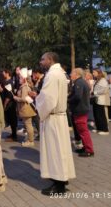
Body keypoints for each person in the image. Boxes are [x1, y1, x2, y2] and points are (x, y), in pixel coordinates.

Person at [35, 52, 76, 196]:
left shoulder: (52, 75)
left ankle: (59, 186)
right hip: (59, 117)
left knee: (55, 151)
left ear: (50, 60)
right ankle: (61, 179)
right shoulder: (60, 73)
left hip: (53, 118)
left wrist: (37, 103)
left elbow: (48, 99)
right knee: (61, 150)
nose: (41, 62)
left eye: (43, 59)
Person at [69, 68, 94, 157]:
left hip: (80, 110)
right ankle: (85, 147)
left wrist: (68, 100)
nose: (70, 74)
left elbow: (77, 96)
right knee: (81, 131)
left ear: (77, 74)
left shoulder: (79, 82)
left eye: (72, 73)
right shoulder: (81, 82)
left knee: (83, 131)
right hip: (81, 109)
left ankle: (89, 150)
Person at [14, 76, 36, 147]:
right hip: (25, 108)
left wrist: (16, 98)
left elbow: (24, 99)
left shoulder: (24, 87)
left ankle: (30, 141)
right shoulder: (24, 86)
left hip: (25, 108)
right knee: (28, 124)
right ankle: (29, 139)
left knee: (28, 124)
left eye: (20, 78)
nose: (19, 79)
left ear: (24, 79)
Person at [1, 69, 18, 142]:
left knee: (12, 119)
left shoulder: (9, 82)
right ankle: (13, 134)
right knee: (11, 119)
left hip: (10, 104)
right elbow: (4, 91)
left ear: (7, 73)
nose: (2, 73)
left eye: (4, 72)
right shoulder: (6, 82)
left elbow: (8, 96)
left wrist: (4, 105)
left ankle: (14, 136)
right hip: (9, 103)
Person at [92, 69, 110, 135]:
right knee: (96, 115)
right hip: (96, 99)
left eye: (94, 72)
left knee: (101, 115)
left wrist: (94, 92)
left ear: (98, 73)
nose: (93, 73)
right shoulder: (97, 80)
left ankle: (105, 130)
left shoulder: (103, 80)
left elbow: (103, 90)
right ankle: (99, 128)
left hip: (100, 100)